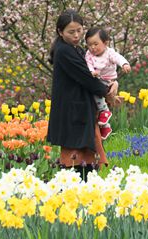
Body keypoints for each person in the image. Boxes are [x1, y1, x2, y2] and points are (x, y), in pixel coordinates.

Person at [46, 9, 118, 181]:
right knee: (76, 159)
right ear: (60, 32)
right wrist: (108, 92)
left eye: (79, 30)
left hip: (77, 109)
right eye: (71, 32)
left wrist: (112, 83)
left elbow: (97, 72)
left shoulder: (74, 49)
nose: (77, 35)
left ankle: (83, 197)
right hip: (73, 111)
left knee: (84, 155)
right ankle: (78, 198)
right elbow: (86, 78)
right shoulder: (65, 51)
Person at [84, 27, 131, 141]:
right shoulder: (89, 54)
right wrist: (91, 72)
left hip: (108, 80)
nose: (93, 47)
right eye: (90, 45)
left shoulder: (109, 53)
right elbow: (88, 64)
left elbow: (118, 58)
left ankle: (105, 111)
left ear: (105, 43)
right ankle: (106, 127)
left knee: (97, 96)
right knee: (95, 98)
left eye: (96, 44)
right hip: (97, 78)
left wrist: (124, 64)